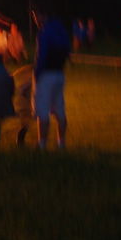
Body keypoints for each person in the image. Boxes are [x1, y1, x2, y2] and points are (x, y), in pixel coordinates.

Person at [33, 11, 71, 149]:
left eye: (36, 16)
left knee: (42, 110)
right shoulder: (61, 30)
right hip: (59, 74)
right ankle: (61, 143)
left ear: (43, 15)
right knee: (59, 110)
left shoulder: (44, 32)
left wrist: (37, 74)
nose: (35, 20)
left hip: (46, 75)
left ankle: (42, 143)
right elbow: (67, 51)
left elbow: (41, 56)